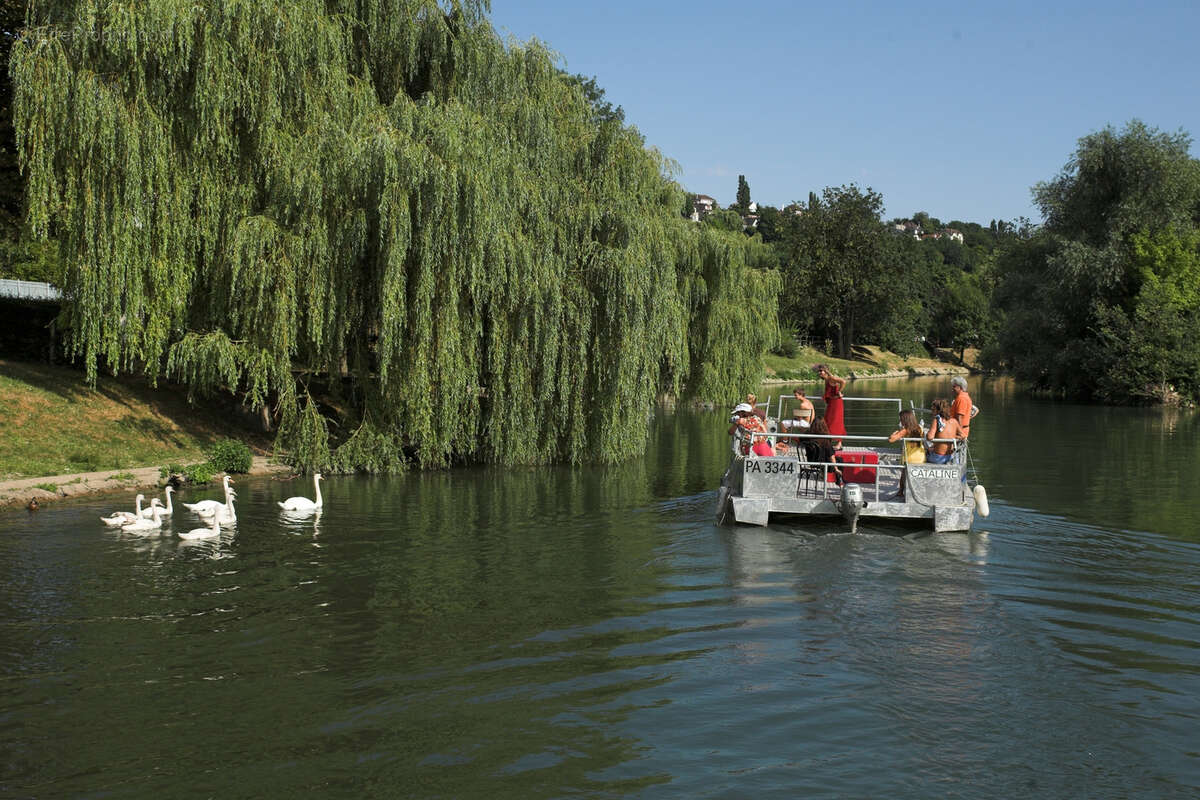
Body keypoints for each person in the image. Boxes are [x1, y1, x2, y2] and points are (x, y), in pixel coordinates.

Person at [887, 409, 925, 500]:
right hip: (920, 456)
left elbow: (891, 440)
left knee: (904, 474)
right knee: (913, 476)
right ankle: (908, 492)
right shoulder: (920, 428)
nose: (900, 421)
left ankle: (901, 492)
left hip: (910, 458)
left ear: (905, 419)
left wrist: (895, 433)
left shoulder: (906, 430)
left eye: (901, 419)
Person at [802, 418, 843, 484]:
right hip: (823, 463)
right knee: (840, 460)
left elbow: (800, 440)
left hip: (811, 461)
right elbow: (831, 456)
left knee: (824, 454)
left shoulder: (807, 435)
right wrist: (836, 469)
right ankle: (839, 482)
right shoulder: (825, 438)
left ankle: (822, 473)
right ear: (824, 425)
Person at [814, 364, 846, 448]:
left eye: (821, 371)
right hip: (832, 403)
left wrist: (839, 391)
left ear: (826, 371)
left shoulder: (830, 379)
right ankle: (835, 442)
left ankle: (837, 443)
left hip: (836, 403)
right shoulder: (828, 379)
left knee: (835, 421)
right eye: (819, 371)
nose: (819, 372)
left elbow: (843, 381)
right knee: (828, 421)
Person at [925, 398, 963, 464]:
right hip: (949, 457)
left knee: (924, 452)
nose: (932, 412)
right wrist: (954, 437)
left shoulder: (936, 420)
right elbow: (963, 435)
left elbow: (930, 437)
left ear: (938, 411)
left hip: (938, 458)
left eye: (933, 410)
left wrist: (926, 434)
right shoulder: (954, 421)